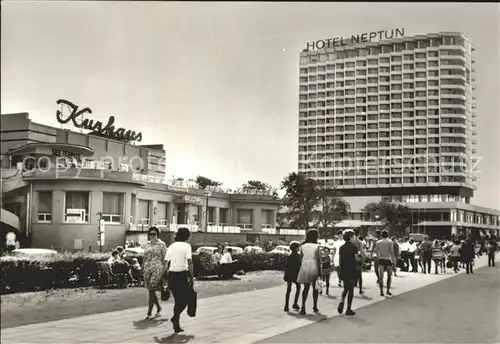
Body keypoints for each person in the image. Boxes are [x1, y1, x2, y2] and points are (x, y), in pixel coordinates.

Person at [165, 227, 194, 333]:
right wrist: (192, 276)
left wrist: (164, 276)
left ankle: (176, 322)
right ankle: (175, 318)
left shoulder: (171, 246)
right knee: (184, 299)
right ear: (187, 236)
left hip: (172, 275)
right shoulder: (187, 246)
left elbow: (165, 263)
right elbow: (190, 262)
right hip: (182, 274)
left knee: (178, 299)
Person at [142, 226, 167, 320]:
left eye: (154, 234)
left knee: (152, 289)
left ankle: (149, 312)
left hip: (157, 269)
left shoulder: (162, 244)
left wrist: (165, 271)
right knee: (151, 290)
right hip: (147, 270)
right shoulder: (147, 245)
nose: (152, 236)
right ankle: (159, 308)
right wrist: (142, 267)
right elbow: (144, 257)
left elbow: (165, 259)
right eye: (150, 234)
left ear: (157, 234)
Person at [296, 229, 321, 315]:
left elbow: (300, 257)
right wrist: (320, 270)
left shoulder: (303, 246)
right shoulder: (316, 246)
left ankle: (303, 306)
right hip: (314, 266)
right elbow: (318, 259)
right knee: (315, 288)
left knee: (305, 288)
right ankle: (315, 306)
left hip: (305, 266)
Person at [337, 231, 358, 316]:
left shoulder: (341, 247)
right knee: (351, 289)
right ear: (351, 237)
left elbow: (340, 260)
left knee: (345, 288)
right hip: (352, 269)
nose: (355, 238)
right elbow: (356, 258)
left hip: (344, 270)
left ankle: (342, 300)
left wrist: (340, 271)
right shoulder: (353, 247)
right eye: (354, 236)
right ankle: (348, 309)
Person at [375, 230, 396, 297]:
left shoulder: (378, 242)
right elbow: (392, 252)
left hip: (381, 259)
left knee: (381, 277)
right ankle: (387, 290)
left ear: (381, 235)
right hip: (388, 259)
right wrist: (394, 262)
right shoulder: (390, 242)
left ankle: (381, 291)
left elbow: (377, 252)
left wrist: (378, 259)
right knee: (389, 276)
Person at [283, 241, 302, 312]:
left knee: (288, 290)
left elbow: (285, 267)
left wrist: (285, 275)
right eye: (298, 247)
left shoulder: (289, 256)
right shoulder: (298, 256)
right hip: (296, 275)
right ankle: (295, 303)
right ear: (296, 248)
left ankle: (286, 305)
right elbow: (299, 266)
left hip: (289, 275)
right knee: (298, 288)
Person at [351, 229, 365, 295]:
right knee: (359, 275)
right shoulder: (360, 242)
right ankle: (360, 290)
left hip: (351, 259)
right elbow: (362, 252)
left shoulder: (350, 241)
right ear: (358, 234)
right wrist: (363, 261)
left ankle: (351, 290)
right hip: (357, 259)